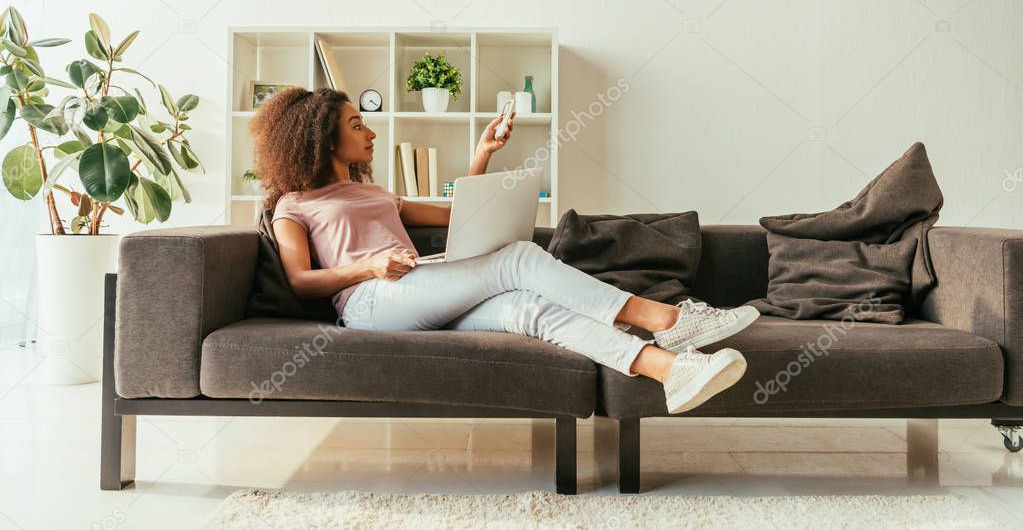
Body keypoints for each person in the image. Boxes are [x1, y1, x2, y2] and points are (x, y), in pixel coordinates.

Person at [251, 87, 759, 414]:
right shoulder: (293, 205)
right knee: (517, 258)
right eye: (356, 124)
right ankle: (669, 322)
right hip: (368, 303)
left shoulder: (378, 193)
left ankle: (669, 371)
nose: (370, 131)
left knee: (528, 308)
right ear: (322, 137)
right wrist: (369, 266)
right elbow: (299, 279)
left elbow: (457, 215)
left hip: (420, 286)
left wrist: (483, 154)